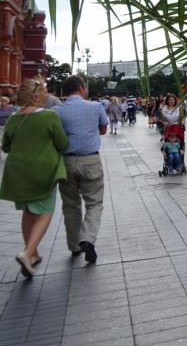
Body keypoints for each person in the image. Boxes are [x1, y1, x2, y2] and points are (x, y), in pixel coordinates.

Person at [0, 77, 68, 278]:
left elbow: (6, 146)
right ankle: (27, 252)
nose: (47, 94)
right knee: (45, 212)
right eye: (45, 91)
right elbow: (62, 142)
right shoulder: (49, 116)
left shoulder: (14, 117)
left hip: (17, 172)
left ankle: (33, 254)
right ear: (35, 96)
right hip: (43, 171)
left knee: (28, 211)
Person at [54, 75, 109, 263]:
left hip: (66, 161)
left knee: (70, 205)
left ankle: (74, 245)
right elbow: (103, 130)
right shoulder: (96, 106)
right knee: (94, 203)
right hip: (90, 160)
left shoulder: (56, 111)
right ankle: (87, 239)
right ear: (80, 88)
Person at [0, 95, 17, 160]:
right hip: (1, 126)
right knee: (0, 140)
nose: (2, 102)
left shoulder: (12, 108)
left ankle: (12, 154)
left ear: (8, 102)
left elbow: (17, 114)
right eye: (1, 101)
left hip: (10, 126)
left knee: (11, 139)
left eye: (3, 101)